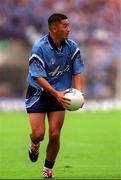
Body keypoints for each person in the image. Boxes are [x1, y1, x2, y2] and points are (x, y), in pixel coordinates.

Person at [25, 13, 85, 178]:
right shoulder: (39, 47)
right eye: (65, 26)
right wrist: (55, 94)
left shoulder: (72, 46)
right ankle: (34, 144)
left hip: (61, 93)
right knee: (38, 134)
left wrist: (78, 92)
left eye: (68, 25)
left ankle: (47, 169)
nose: (69, 29)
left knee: (55, 133)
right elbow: (38, 76)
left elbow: (77, 70)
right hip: (38, 92)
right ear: (54, 28)